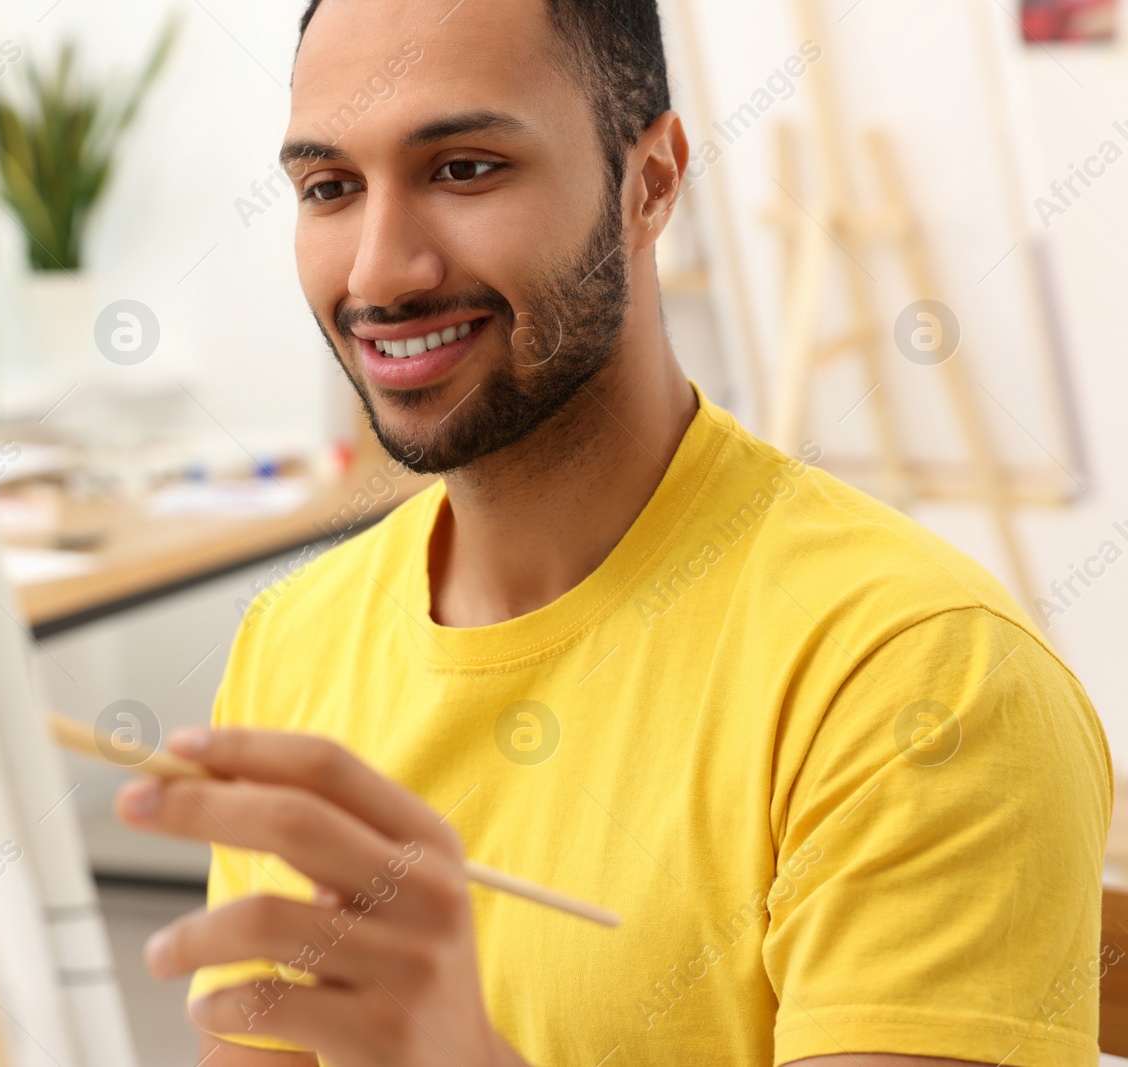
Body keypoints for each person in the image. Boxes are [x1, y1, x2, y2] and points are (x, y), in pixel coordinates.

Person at [113, 0, 1113, 1063]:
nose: (376, 273)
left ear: (651, 180)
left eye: (463, 168)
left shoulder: (919, 677)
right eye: (329, 189)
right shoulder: (290, 642)